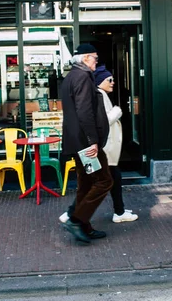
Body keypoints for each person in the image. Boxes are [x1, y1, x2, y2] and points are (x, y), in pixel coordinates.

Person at [60, 65, 138, 224]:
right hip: (102, 149)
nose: (113, 82)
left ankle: (118, 210)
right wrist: (117, 112)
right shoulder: (99, 95)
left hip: (102, 149)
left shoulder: (100, 94)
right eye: (109, 79)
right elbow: (101, 122)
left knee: (105, 179)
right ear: (100, 80)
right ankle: (73, 215)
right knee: (97, 182)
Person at [60, 44, 113, 244]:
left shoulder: (71, 77)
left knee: (87, 182)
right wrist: (93, 141)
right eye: (94, 58)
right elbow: (84, 112)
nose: (96, 62)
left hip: (77, 142)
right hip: (86, 145)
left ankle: (84, 225)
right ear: (84, 59)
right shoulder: (82, 77)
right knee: (103, 181)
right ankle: (76, 219)